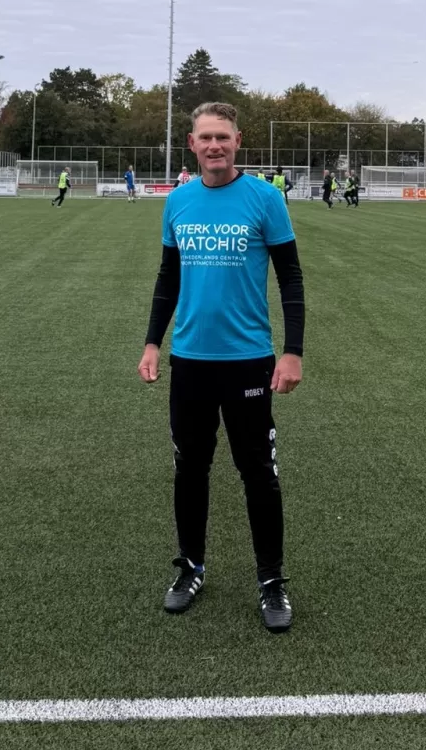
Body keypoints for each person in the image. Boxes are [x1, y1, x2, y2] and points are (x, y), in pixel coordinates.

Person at [138, 100, 306, 634]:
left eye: (224, 137)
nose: (215, 146)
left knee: (258, 472)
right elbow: (168, 280)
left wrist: (292, 350)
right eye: (205, 137)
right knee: (190, 469)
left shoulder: (265, 197)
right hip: (189, 362)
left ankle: (272, 581)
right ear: (192, 144)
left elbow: (292, 280)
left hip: (249, 362)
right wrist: (151, 344)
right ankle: (190, 567)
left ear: (238, 141)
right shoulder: (178, 202)